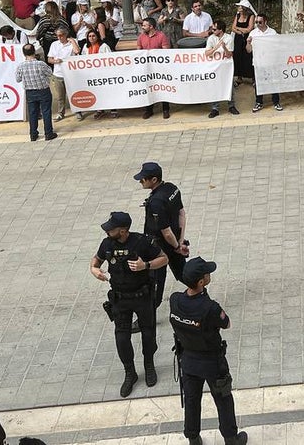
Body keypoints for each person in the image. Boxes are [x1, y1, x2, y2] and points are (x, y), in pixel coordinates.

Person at [169, 258, 249, 445]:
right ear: (201, 282)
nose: (209, 275)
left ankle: (193, 438)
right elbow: (227, 323)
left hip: (188, 360)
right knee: (223, 400)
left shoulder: (175, 301)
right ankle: (231, 438)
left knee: (191, 400)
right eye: (207, 274)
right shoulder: (210, 308)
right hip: (212, 363)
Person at [90, 212, 168, 398]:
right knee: (122, 338)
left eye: (112, 228)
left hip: (142, 296)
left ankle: (149, 364)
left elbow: (164, 258)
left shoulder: (142, 242)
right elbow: (97, 259)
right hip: (120, 299)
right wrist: (94, 269)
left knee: (148, 333)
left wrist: (146, 265)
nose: (108, 231)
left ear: (123, 230)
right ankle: (129, 372)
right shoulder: (107, 243)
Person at [136, 161, 189, 309]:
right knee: (183, 273)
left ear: (154, 180)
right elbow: (181, 214)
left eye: (143, 178)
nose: (140, 181)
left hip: (161, 245)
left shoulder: (157, 202)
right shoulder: (172, 188)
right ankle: (200, 292)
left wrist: (177, 245)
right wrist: (180, 241)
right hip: (175, 241)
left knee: (156, 280)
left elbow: (165, 232)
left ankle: (149, 314)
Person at [16, 44, 57, 142]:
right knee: (46, 112)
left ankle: (33, 134)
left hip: (30, 92)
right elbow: (50, 73)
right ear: (34, 52)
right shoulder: (41, 64)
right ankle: (48, 133)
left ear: (24, 53)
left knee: (32, 113)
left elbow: (18, 79)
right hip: (43, 90)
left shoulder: (20, 66)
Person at [246, 14, 283, 112]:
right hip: (258, 63)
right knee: (258, 84)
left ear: (265, 22)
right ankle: (259, 102)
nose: (258, 24)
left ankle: (276, 101)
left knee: (273, 82)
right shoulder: (253, 33)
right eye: (256, 22)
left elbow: (279, 44)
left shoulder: (272, 32)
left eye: (260, 22)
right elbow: (249, 50)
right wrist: (248, 43)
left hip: (271, 62)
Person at [137, 17, 172, 119]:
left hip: (160, 67)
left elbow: (165, 51)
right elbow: (139, 52)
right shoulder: (141, 37)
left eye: (144, 25)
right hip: (147, 68)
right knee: (148, 87)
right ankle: (149, 110)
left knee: (163, 87)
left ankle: (166, 109)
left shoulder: (161, 36)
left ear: (151, 26)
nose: (142, 27)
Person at [205, 20, 239, 118]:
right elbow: (207, 53)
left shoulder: (228, 38)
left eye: (214, 29)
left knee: (229, 85)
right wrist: (215, 48)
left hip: (226, 65)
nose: (212, 30)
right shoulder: (211, 38)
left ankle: (231, 106)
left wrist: (224, 48)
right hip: (214, 65)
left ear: (221, 30)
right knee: (215, 85)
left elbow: (229, 55)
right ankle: (215, 108)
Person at [46, 26, 81, 121]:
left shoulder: (72, 42)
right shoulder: (54, 44)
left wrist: (72, 41)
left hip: (70, 73)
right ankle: (61, 112)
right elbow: (49, 59)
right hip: (58, 73)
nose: (59, 38)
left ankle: (78, 111)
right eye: (57, 36)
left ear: (66, 35)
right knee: (60, 96)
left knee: (73, 93)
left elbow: (77, 51)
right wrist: (56, 61)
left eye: (61, 35)